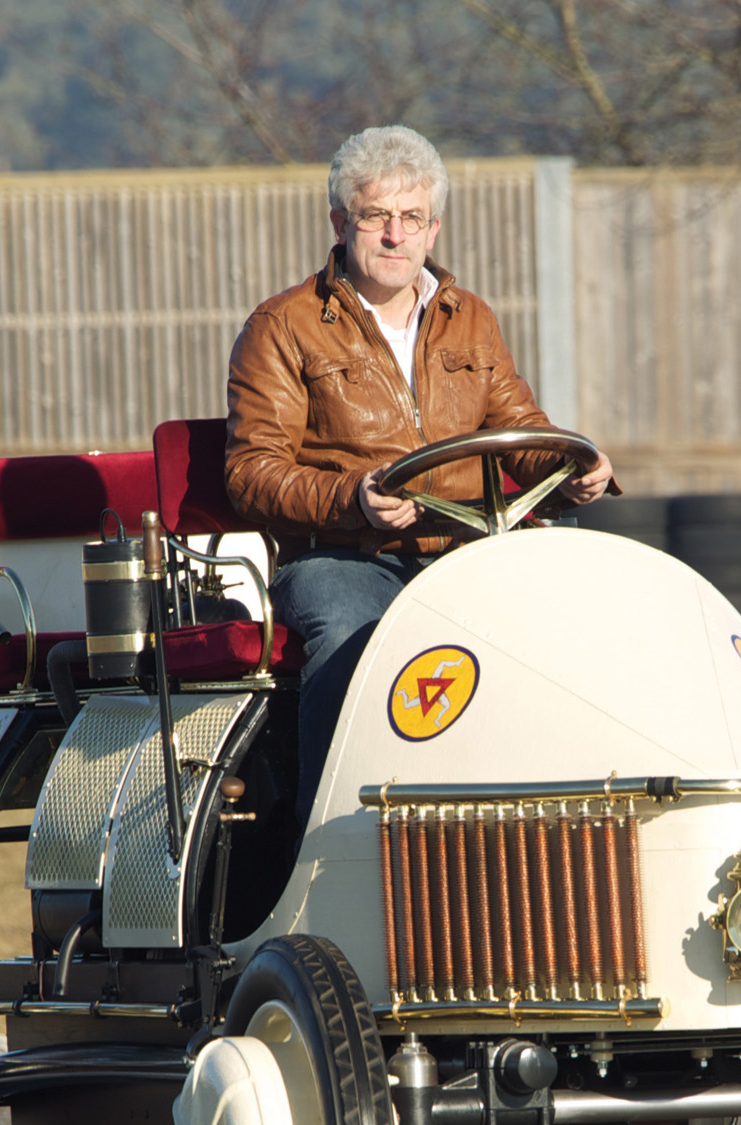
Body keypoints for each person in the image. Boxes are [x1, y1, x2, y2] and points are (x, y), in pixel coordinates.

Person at [224, 124, 615, 827]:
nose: (394, 236)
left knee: (570, 615)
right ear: (342, 224)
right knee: (355, 630)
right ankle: (326, 839)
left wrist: (576, 468)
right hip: (343, 553)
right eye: (376, 217)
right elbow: (253, 474)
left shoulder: (471, 321)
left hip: (468, 548)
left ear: (434, 229)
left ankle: (561, 822)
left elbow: (518, 430)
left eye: (411, 219)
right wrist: (354, 499)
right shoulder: (282, 327)